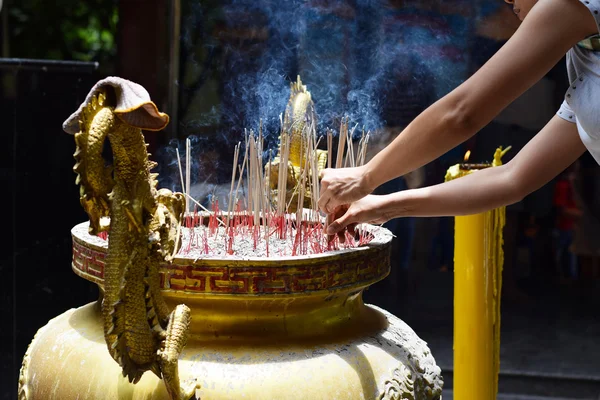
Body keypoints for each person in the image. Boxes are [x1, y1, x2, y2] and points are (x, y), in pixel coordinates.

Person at [318, 0, 600, 239]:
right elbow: (512, 179)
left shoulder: (569, 4)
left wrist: (366, 175)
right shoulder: (584, 58)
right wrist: (381, 206)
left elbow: (462, 114)